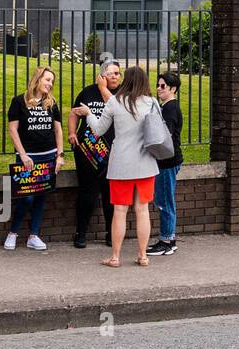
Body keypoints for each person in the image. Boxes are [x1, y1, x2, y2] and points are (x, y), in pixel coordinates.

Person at [74, 65, 159, 267]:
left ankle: (115, 257)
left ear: (126, 81)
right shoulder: (152, 102)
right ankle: (142, 255)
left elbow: (98, 129)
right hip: (146, 164)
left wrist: (88, 113)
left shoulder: (114, 102)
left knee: (120, 211)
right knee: (142, 210)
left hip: (121, 165)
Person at [4, 66, 65, 251]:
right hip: (27, 158)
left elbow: (58, 129)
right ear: (37, 79)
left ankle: (34, 235)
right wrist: (22, 154)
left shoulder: (51, 103)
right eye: (47, 80)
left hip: (48, 155)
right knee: (27, 197)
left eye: (52, 81)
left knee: (41, 197)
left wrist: (60, 155)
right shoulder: (19, 101)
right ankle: (13, 232)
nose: (50, 84)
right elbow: (13, 129)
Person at [68, 60, 121, 248]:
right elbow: (74, 113)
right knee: (87, 193)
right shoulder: (87, 92)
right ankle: (80, 233)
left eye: (118, 73)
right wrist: (72, 133)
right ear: (101, 75)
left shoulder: (122, 94)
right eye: (111, 73)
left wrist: (103, 88)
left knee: (110, 194)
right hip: (88, 150)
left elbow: (115, 107)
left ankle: (110, 233)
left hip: (113, 150)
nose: (115, 76)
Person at [147, 71, 184, 256]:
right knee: (164, 199)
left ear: (173, 88)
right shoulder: (168, 107)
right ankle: (168, 238)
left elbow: (165, 135)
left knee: (164, 201)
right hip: (168, 160)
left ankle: (167, 241)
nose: (159, 88)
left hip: (167, 161)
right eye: (158, 85)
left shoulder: (170, 108)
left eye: (163, 86)